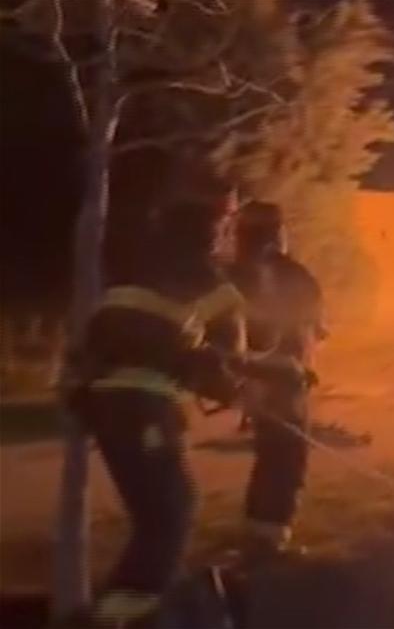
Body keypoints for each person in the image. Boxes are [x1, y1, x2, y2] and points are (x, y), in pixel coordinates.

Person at [69, 162, 247, 627]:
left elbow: (103, 338)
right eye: (228, 221)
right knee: (170, 514)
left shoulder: (133, 266)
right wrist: (238, 391)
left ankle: (121, 612)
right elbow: (227, 361)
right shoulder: (212, 283)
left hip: (103, 404)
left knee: (157, 514)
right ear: (216, 225)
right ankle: (123, 619)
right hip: (146, 406)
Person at [228, 201, 325, 557]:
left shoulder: (232, 274)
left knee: (269, 453)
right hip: (284, 378)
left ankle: (257, 528)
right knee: (287, 456)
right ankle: (268, 537)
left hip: (248, 377)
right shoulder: (292, 274)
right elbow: (314, 326)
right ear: (277, 232)